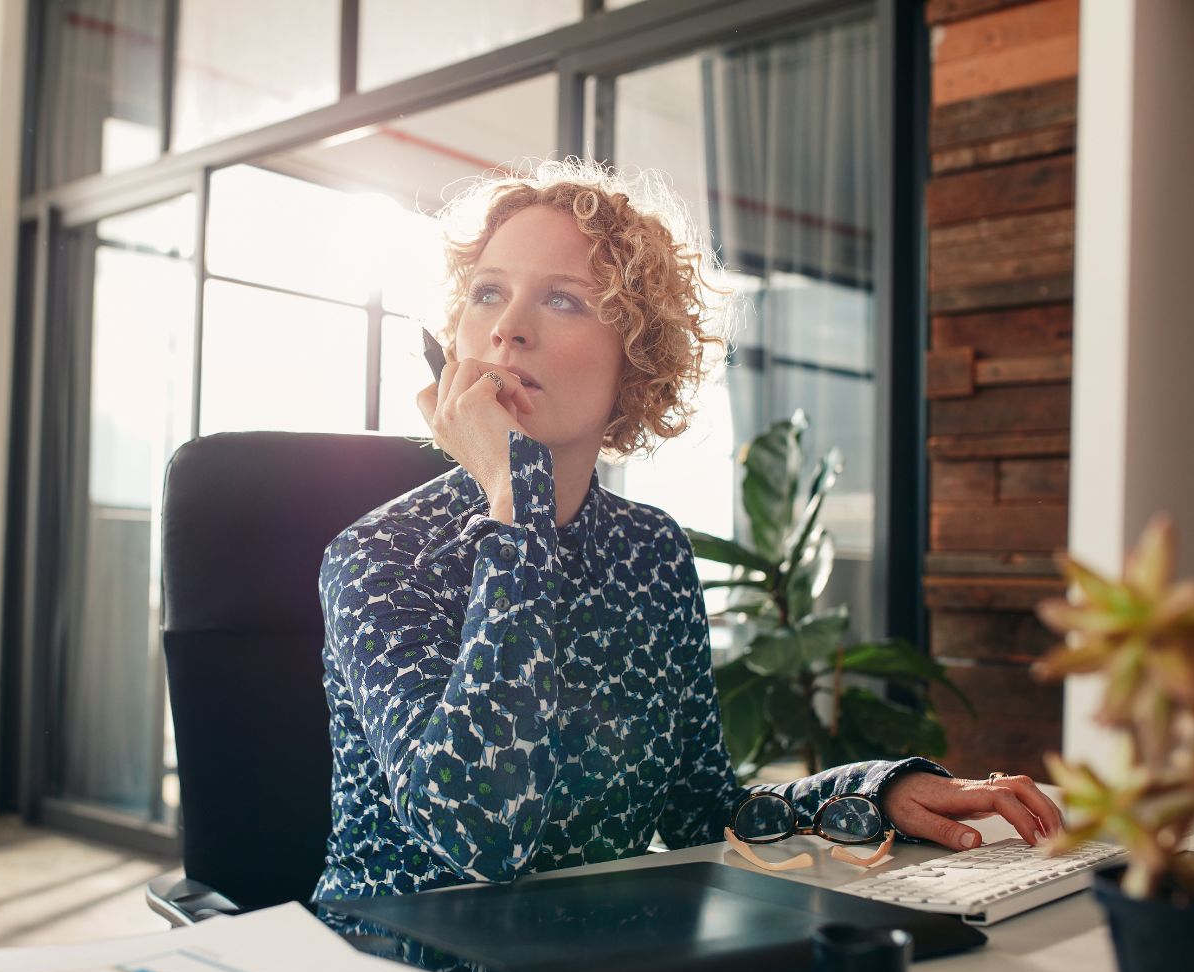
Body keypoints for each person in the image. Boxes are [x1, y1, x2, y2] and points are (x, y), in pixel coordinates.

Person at [312, 159, 1061, 902]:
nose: (508, 328)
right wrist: (513, 505)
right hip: (396, 971)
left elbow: (699, 810)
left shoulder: (649, 551)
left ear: (635, 359)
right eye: (487, 293)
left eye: (564, 301)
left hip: (600, 960)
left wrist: (877, 791)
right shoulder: (382, 555)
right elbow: (478, 832)